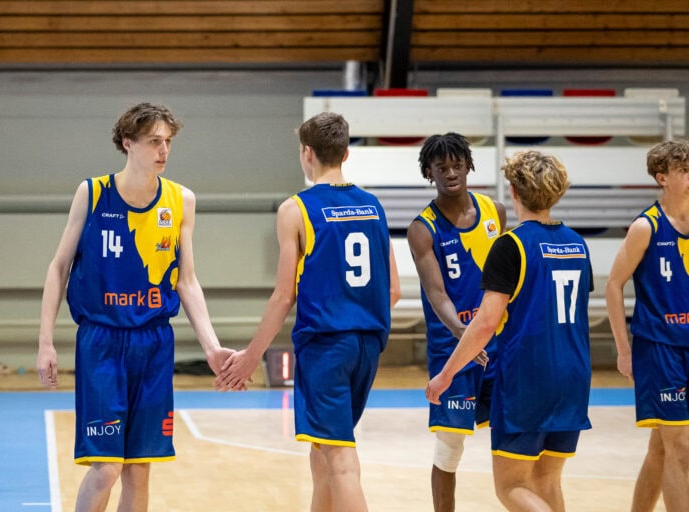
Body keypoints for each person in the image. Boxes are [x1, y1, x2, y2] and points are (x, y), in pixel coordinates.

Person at [36, 103, 234, 512]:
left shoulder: (181, 200)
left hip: (154, 342)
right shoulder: (92, 192)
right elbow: (58, 268)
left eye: (168, 142)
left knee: (139, 470)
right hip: (102, 342)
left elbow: (187, 280)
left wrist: (212, 346)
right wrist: (45, 343)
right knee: (106, 467)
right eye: (153, 142)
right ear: (128, 143)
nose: (163, 150)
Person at [214, 112, 401, 512]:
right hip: (367, 344)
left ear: (306, 153)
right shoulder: (373, 206)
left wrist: (250, 358)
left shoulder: (296, 209)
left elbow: (284, 296)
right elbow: (395, 290)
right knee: (324, 451)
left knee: (340, 460)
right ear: (346, 154)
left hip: (326, 347)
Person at [427, 150, 593, 511]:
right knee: (546, 481)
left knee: (511, 488)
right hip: (575, 375)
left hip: (529, 379)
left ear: (514, 192)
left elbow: (485, 323)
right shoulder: (577, 244)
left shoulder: (511, 245)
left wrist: (446, 374)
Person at [407, 132, 505, 511]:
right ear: (428, 172)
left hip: (497, 345)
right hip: (455, 347)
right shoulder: (422, 228)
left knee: (512, 435)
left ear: (469, 165)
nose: (450, 172)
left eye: (457, 164)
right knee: (450, 446)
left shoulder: (494, 211)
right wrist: (464, 334)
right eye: (441, 167)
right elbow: (437, 293)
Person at [605, 139, 689, 512]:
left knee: (661, 449)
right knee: (681, 448)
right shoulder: (646, 227)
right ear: (662, 177)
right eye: (683, 170)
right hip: (658, 348)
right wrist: (624, 351)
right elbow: (612, 284)